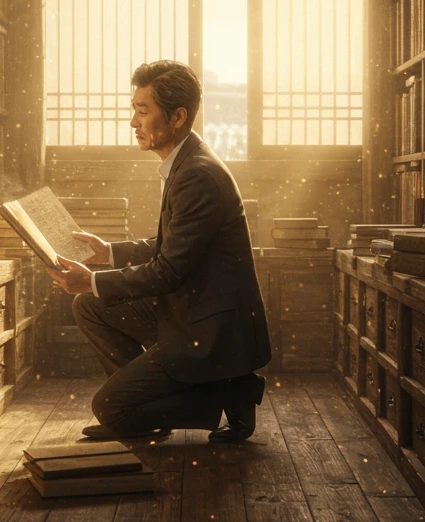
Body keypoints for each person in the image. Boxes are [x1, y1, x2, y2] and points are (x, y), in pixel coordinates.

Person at [46, 61, 271, 442]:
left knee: (111, 410)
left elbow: (169, 271)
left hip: (211, 329)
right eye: (134, 109)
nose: (134, 121)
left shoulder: (196, 173)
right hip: (192, 311)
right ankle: (155, 400)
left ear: (178, 116)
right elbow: (173, 247)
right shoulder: (187, 162)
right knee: (89, 304)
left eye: (143, 110)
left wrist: (92, 279)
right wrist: (109, 253)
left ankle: (222, 393)